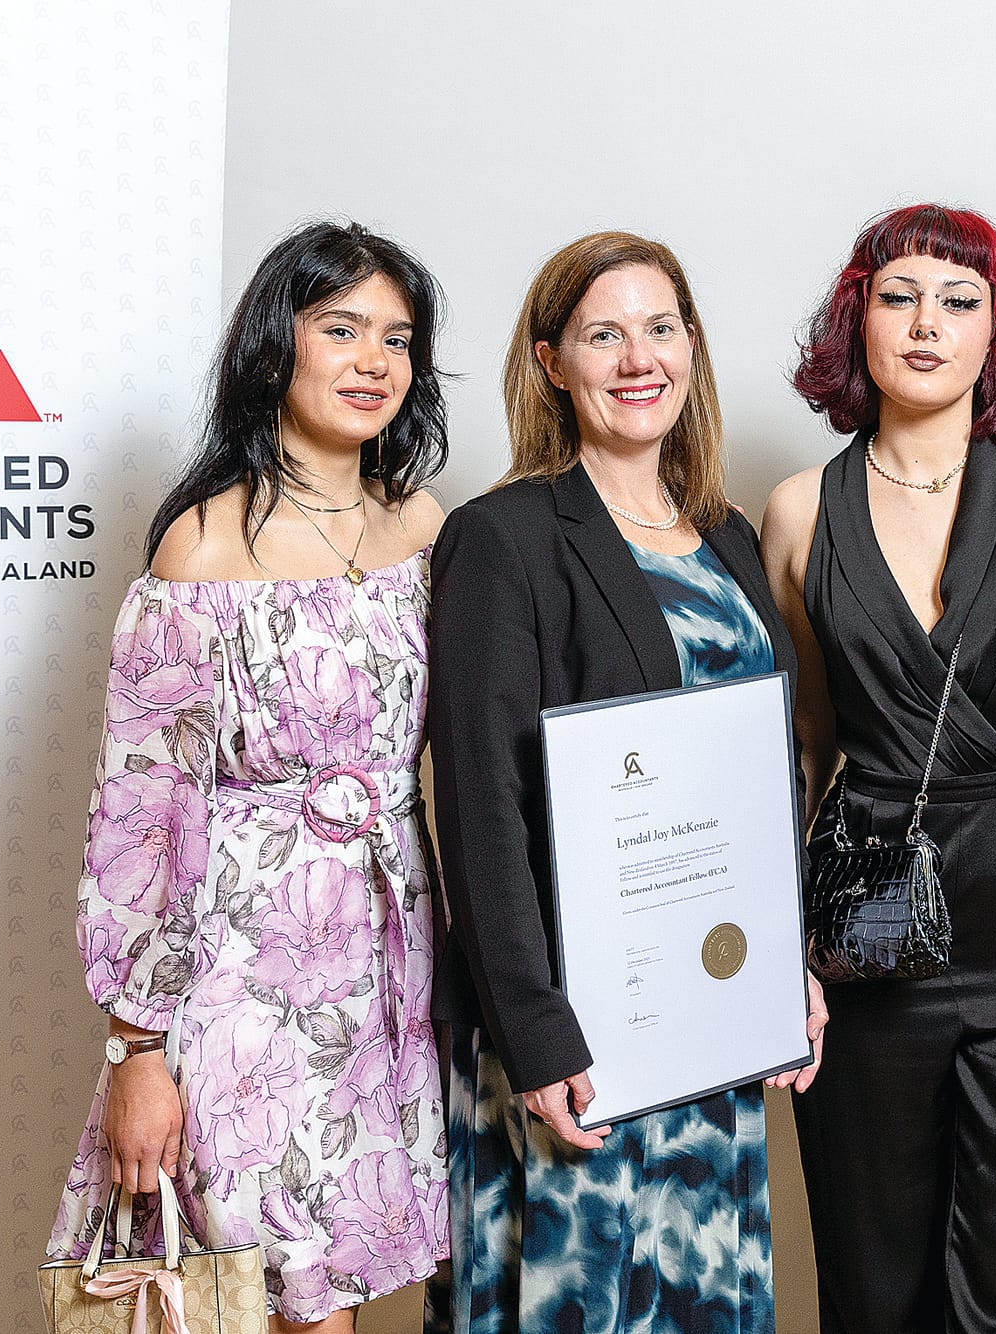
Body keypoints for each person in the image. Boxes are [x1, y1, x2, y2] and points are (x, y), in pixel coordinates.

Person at [46, 221, 453, 1332]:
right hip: (243, 977)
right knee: (274, 1301)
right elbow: (140, 815)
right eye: (341, 328)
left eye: (396, 338)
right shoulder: (202, 548)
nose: (372, 360)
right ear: (279, 344)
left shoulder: (423, 527)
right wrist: (136, 1049)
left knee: (358, 1295)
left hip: (389, 966)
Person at [423, 231, 822, 1334]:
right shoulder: (501, 540)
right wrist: (536, 1034)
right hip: (573, 1038)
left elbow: (759, 779)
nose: (635, 356)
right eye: (603, 332)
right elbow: (478, 806)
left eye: (659, 328)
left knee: (700, 1297)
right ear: (552, 360)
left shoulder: (728, 538)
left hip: (710, 1016)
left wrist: (783, 962)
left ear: (690, 347)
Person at [760, 204, 996, 1334]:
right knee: (875, 1274)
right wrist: (782, 951)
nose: (926, 323)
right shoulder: (792, 513)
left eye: (959, 300)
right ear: (856, 323)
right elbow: (808, 749)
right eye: (897, 297)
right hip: (872, 935)